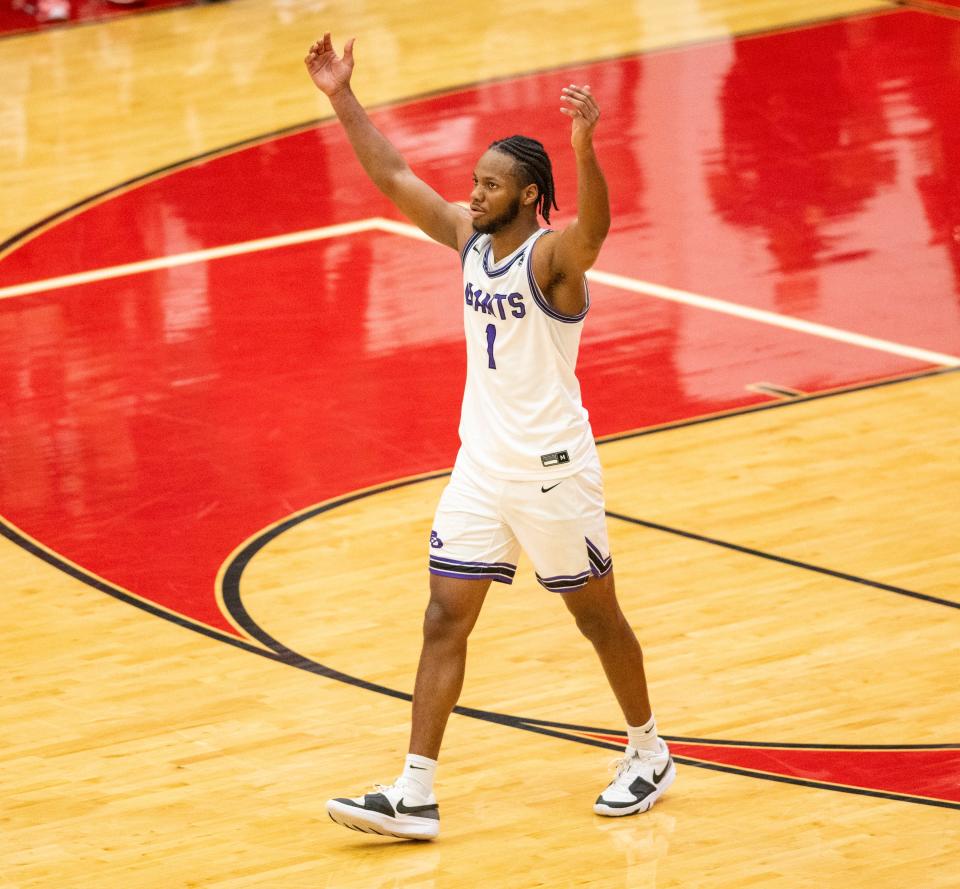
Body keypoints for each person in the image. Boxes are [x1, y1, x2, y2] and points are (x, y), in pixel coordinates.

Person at [305, 32, 674, 841]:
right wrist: (341, 96)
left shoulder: (552, 262)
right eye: (475, 181)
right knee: (444, 617)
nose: (473, 193)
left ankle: (648, 748)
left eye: (491, 185)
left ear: (528, 195)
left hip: (553, 471)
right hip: (481, 467)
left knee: (596, 617)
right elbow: (396, 176)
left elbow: (597, 231)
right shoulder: (470, 245)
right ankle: (415, 789)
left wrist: (586, 148)